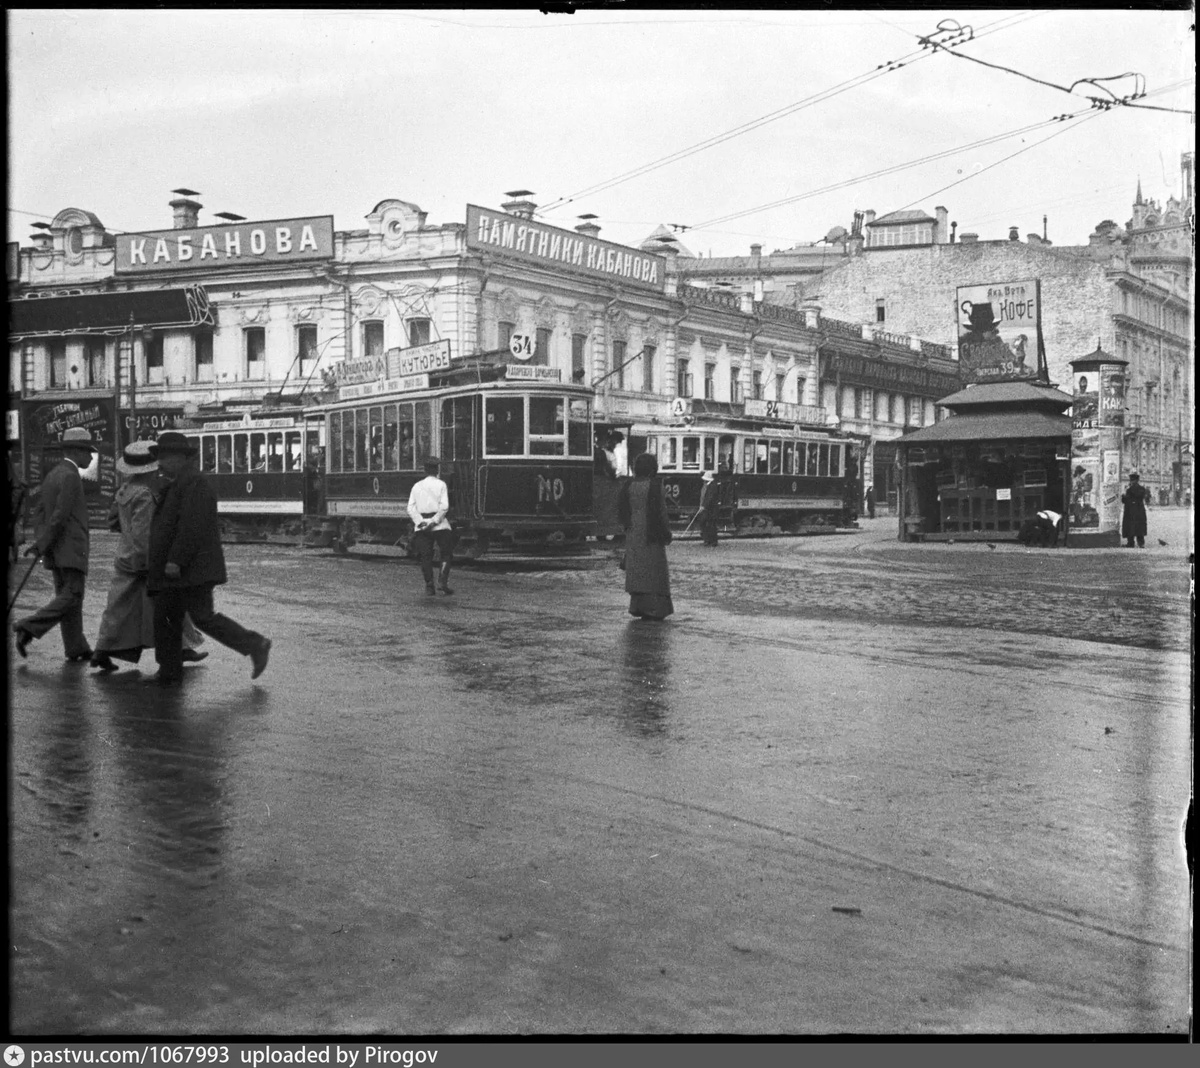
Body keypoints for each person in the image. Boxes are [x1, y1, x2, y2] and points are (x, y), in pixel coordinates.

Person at [147, 432, 272, 688]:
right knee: (167, 617)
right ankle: (169, 671)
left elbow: (193, 526)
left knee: (199, 617)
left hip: (189, 568)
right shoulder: (181, 481)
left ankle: (255, 644)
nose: (160, 463)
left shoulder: (194, 483)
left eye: (164, 457)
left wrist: (176, 560)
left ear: (180, 458)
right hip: (184, 568)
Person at [90, 440, 207, 673]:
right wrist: (150, 561)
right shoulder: (144, 494)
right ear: (151, 468)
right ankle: (182, 649)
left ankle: (101, 652)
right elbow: (145, 535)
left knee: (117, 610)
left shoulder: (124, 490)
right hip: (142, 561)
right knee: (171, 605)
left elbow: (113, 522)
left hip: (125, 558)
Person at [13, 427, 97, 661]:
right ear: (76, 452)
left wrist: (43, 542)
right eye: (87, 453)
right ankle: (28, 626)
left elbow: (40, 512)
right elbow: (60, 516)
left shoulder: (54, 474)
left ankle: (76, 647)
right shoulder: (70, 476)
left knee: (69, 598)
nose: (90, 458)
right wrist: (43, 543)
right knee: (72, 595)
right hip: (71, 548)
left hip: (57, 549)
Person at [617, 452, 674, 621]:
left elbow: (622, 510)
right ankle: (655, 609)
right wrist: (667, 532)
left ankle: (638, 606)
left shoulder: (629, 485)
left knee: (637, 569)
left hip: (634, 531)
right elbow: (662, 513)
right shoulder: (656, 486)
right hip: (652, 532)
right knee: (655, 570)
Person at [406, 457, 454, 595]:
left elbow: (410, 508)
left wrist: (421, 522)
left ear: (425, 470)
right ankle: (442, 581)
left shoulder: (417, 486)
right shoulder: (441, 485)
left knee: (425, 556)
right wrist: (434, 521)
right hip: (440, 526)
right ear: (437, 470)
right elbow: (444, 507)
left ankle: (429, 585)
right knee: (446, 553)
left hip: (422, 526)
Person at [1120, 471, 1150, 548]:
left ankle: (1130, 543)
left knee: (1130, 526)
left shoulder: (1129, 490)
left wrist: (1123, 496)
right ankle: (1141, 543)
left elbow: (1125, 500)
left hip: (1130, 511)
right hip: (1139, 510)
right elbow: (1142, 497)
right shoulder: (1142, 489)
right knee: (1139, 526)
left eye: (1131, 480)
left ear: (1132, 480)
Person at [697, 470, 720, 547]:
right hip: (708, 509)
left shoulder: (712, 486)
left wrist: (703, 506)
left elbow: (709, 498)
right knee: (706, 524)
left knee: (711, 525)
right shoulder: (707, 485)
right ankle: (708, 540)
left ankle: (712, 541)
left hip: (711, 509)